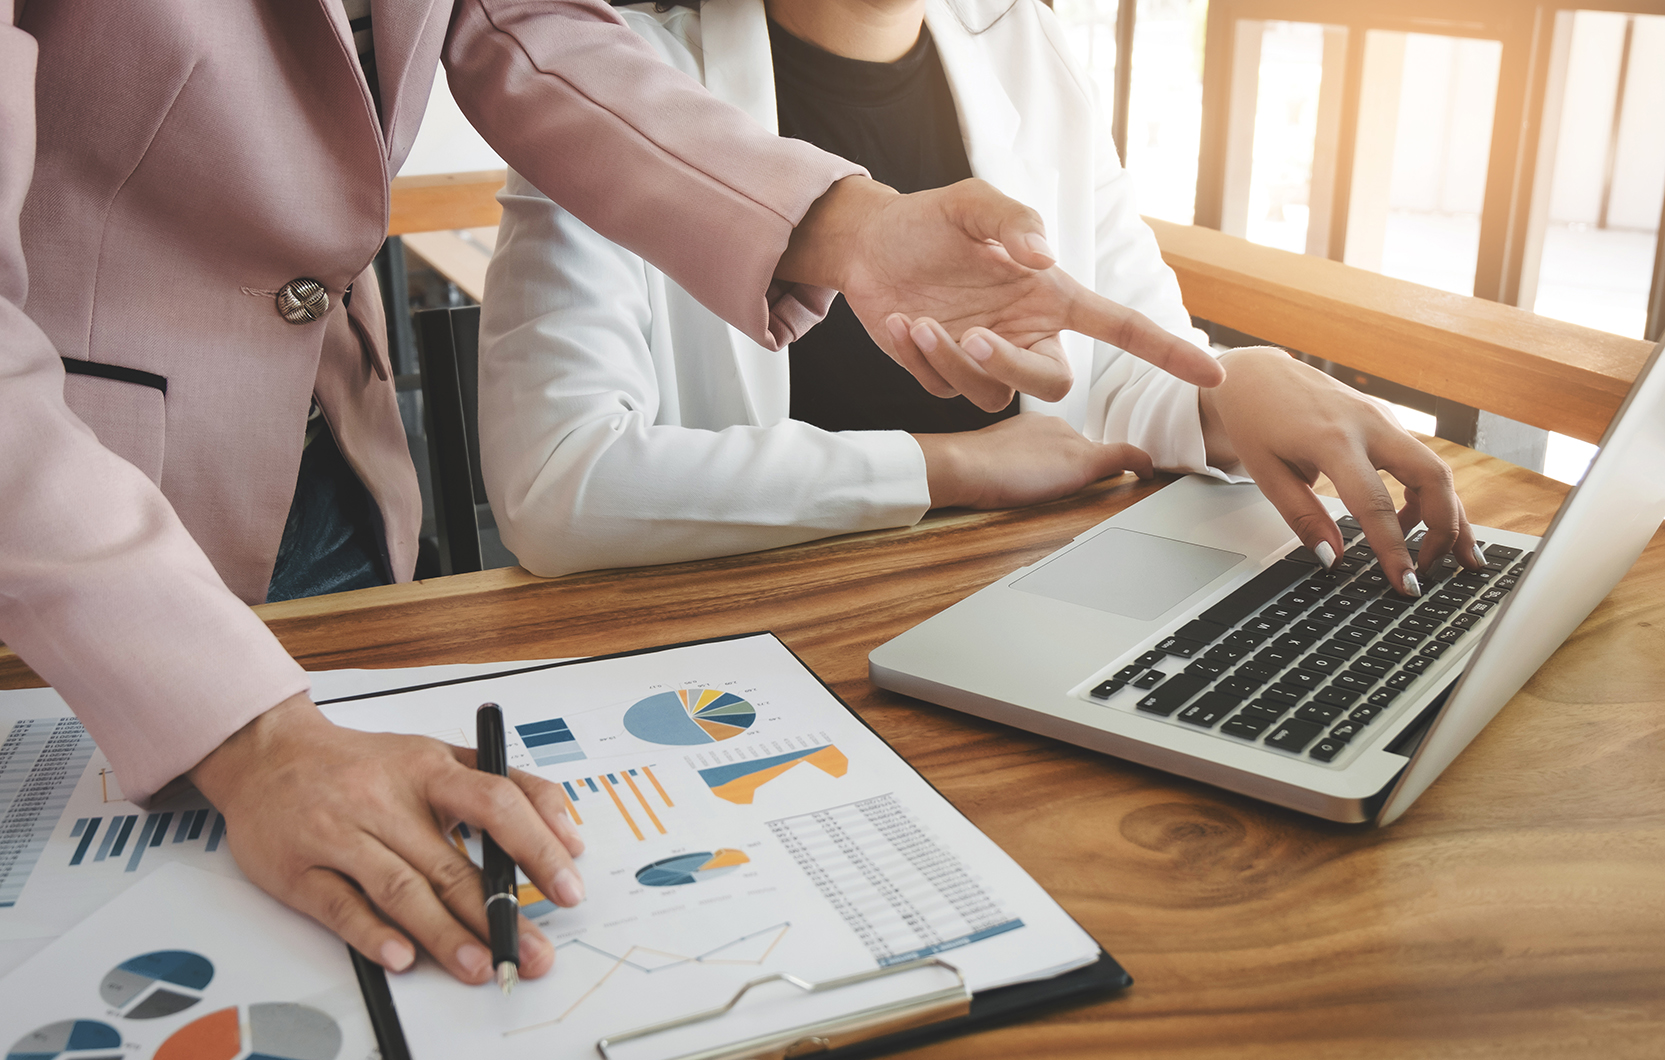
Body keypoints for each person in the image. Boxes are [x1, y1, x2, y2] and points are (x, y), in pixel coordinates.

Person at [0, 0, 1225, 986]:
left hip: (329, 458)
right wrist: (246, 731)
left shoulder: (1019, 48)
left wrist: (841, 224)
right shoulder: (686, 41)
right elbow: (565, 480)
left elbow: (512, 21)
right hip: (66, 512)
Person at [478, 0, 1483, 591]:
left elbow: (1114, 371)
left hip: (1020, 606)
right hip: (750, 653)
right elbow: (560, 487)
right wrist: (953, 468)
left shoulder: (1022, 46)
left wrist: (1228, 391)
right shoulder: (611, 86)